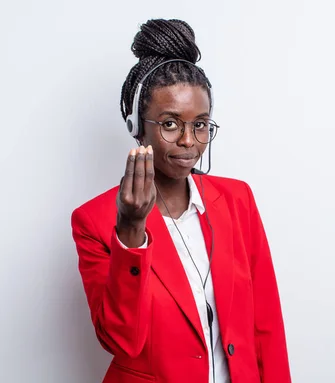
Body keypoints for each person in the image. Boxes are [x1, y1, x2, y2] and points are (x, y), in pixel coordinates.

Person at [71, 19, 291, 383]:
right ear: (135, 125)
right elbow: (120, 340)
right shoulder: (93, 221)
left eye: (201, 124)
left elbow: (266, 325)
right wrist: (131, 230)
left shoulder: (238, 200)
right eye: (170, 124)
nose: (190, 140)